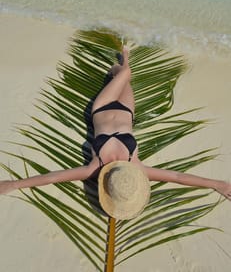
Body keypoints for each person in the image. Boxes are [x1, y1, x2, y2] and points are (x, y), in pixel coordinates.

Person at [0, 47, 231, 219]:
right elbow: (178, 177)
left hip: (102, 106)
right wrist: (217, 183)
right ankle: (123, 60)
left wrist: (16, 184)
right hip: (127, 111)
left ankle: (120, 65)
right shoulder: (138, 167)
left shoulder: (95, 168)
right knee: (125, 73)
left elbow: (53, 177)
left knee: (123, 74)